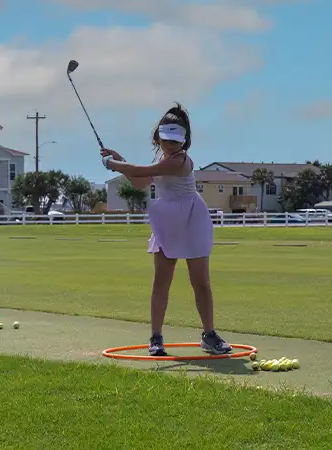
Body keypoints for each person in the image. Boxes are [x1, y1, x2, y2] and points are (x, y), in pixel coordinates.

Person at [99, 102, 232, 357]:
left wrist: (115, 164)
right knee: (161, 282)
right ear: (158, 138)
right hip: (168, 220)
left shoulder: (181, 161)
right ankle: (156, 337)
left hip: (192, 219)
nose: (170, 145)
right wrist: (119, 161)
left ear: (184, 141)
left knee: (200, 282)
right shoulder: (163, 159)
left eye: (175, 140)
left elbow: (146, 171)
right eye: (166, 140)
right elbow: (140, 181)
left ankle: (209, 334)